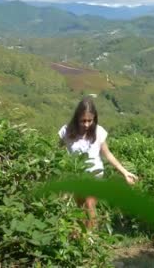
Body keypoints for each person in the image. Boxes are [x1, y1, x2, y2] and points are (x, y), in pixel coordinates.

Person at [58, 96, 138, 230]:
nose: (87, 124)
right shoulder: (66, 131)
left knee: (90, 204)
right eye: (83, 121)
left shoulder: (98, 132)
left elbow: (107, 154)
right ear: (77, 117)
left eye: (90, 120)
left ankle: (89, 239)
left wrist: (124, 172)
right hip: (76, 173)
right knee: (80, 207)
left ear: (94, 118)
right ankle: (79, 238)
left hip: (95, 173)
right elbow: (57, 152)